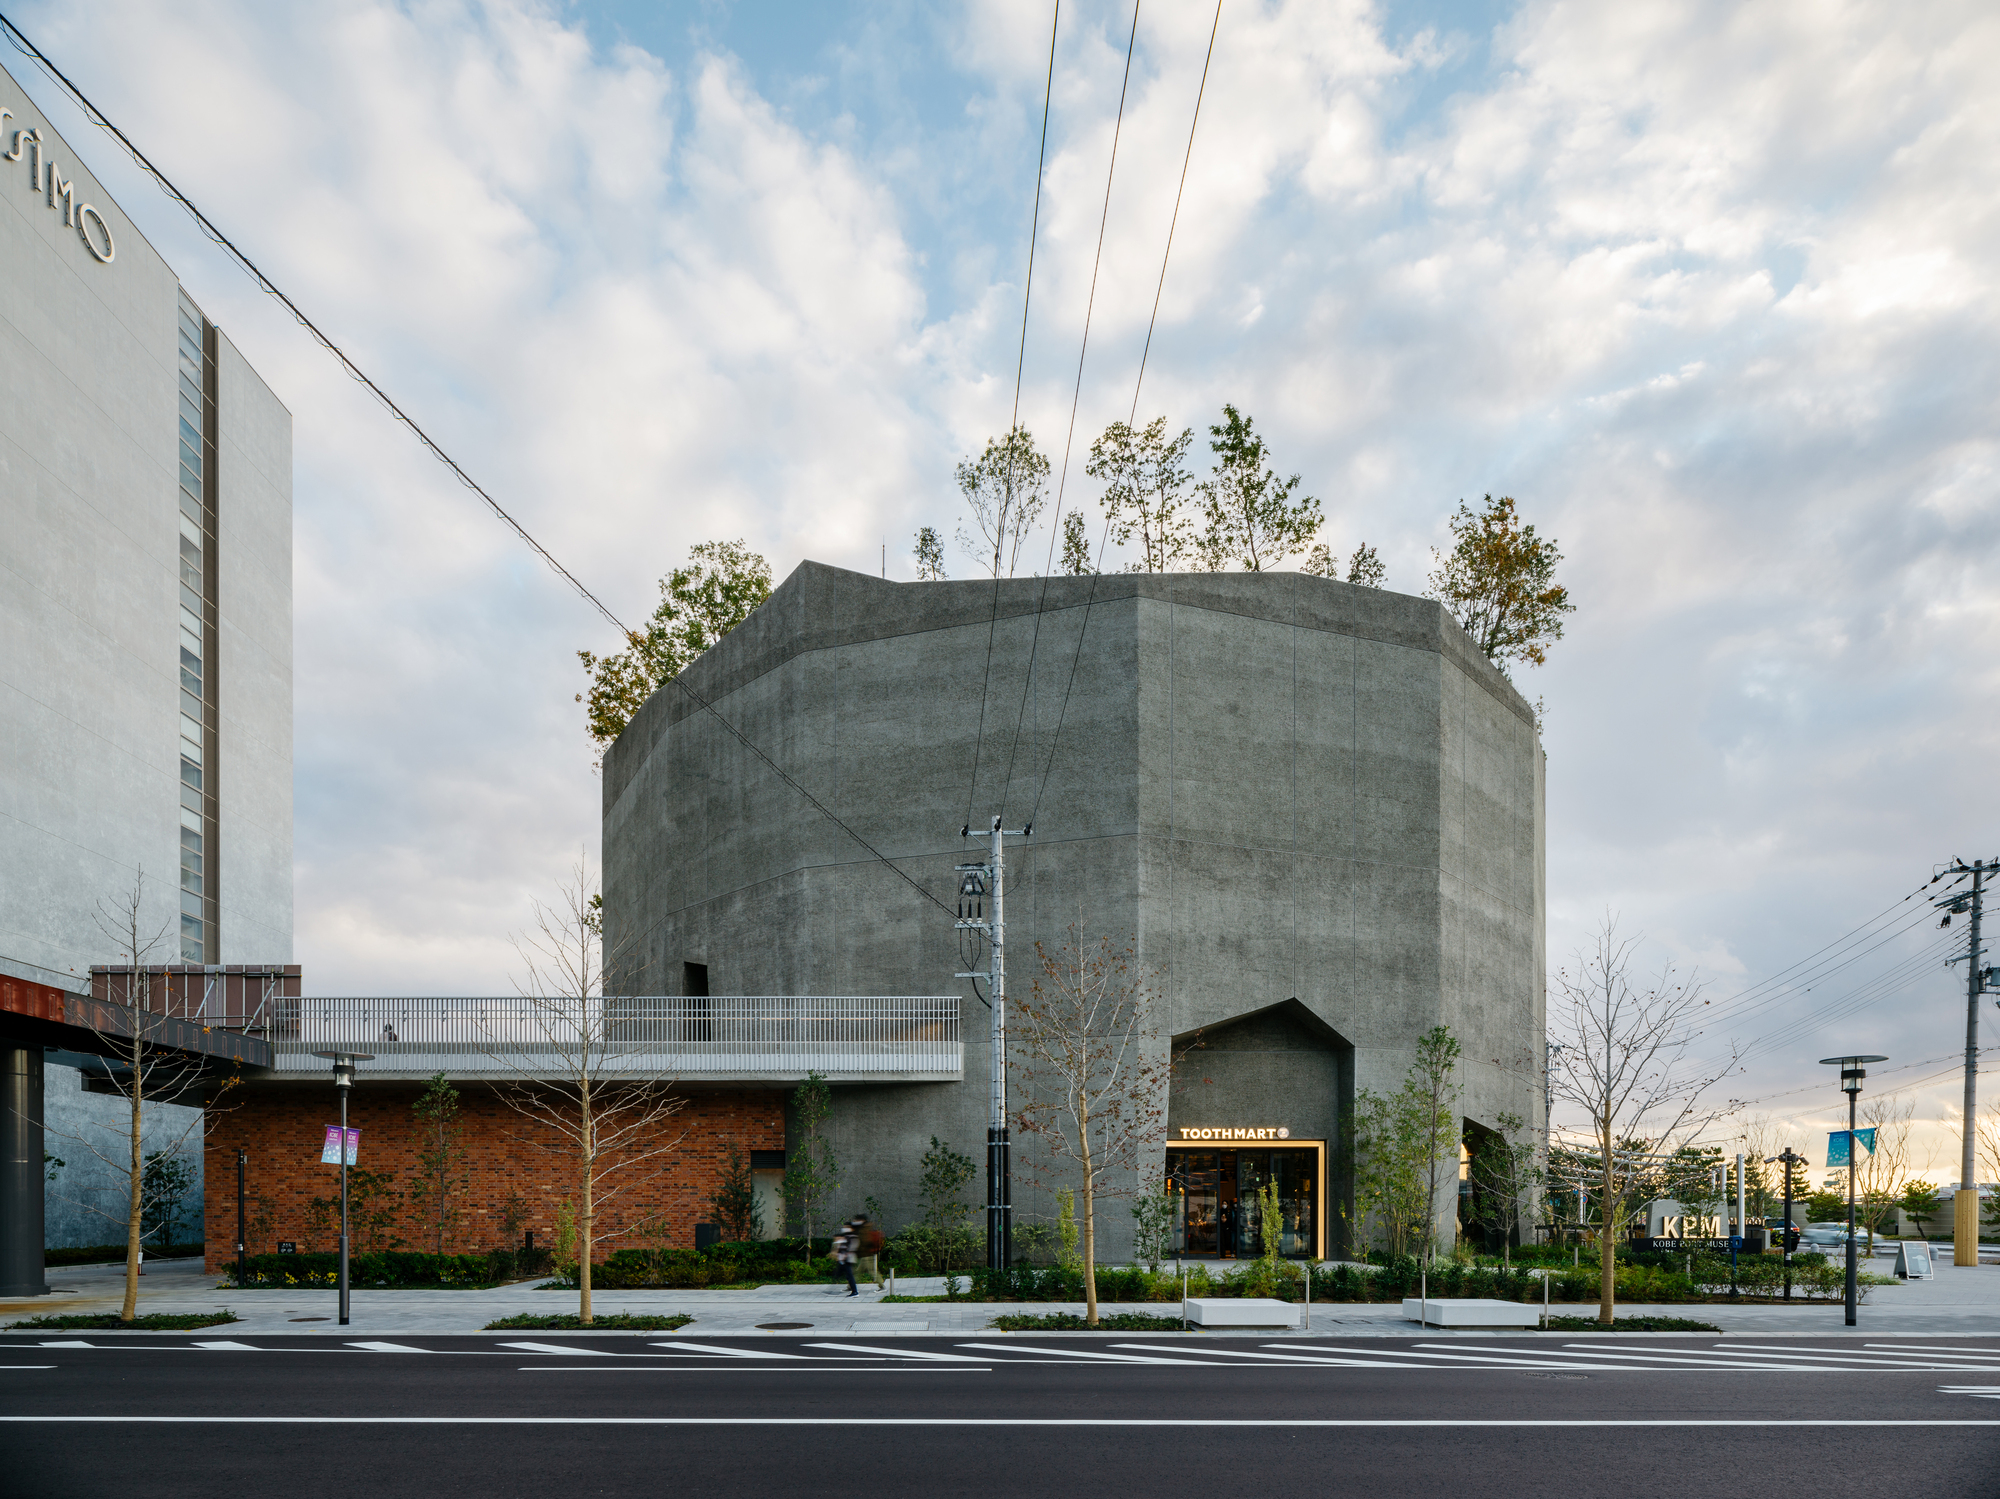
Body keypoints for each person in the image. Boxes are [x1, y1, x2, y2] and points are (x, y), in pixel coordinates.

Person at [833, 1214, 867, 1297]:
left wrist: (845, 1254)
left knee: (849, 1275)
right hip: (844, 1259)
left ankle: (855, 1292)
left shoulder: (853, 1236)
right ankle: (851, 1290)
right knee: (845, 1275)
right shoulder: (847, 1236)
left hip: (848, 1259)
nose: (844, 1228)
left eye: (846, 1226)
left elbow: (852, 1247)